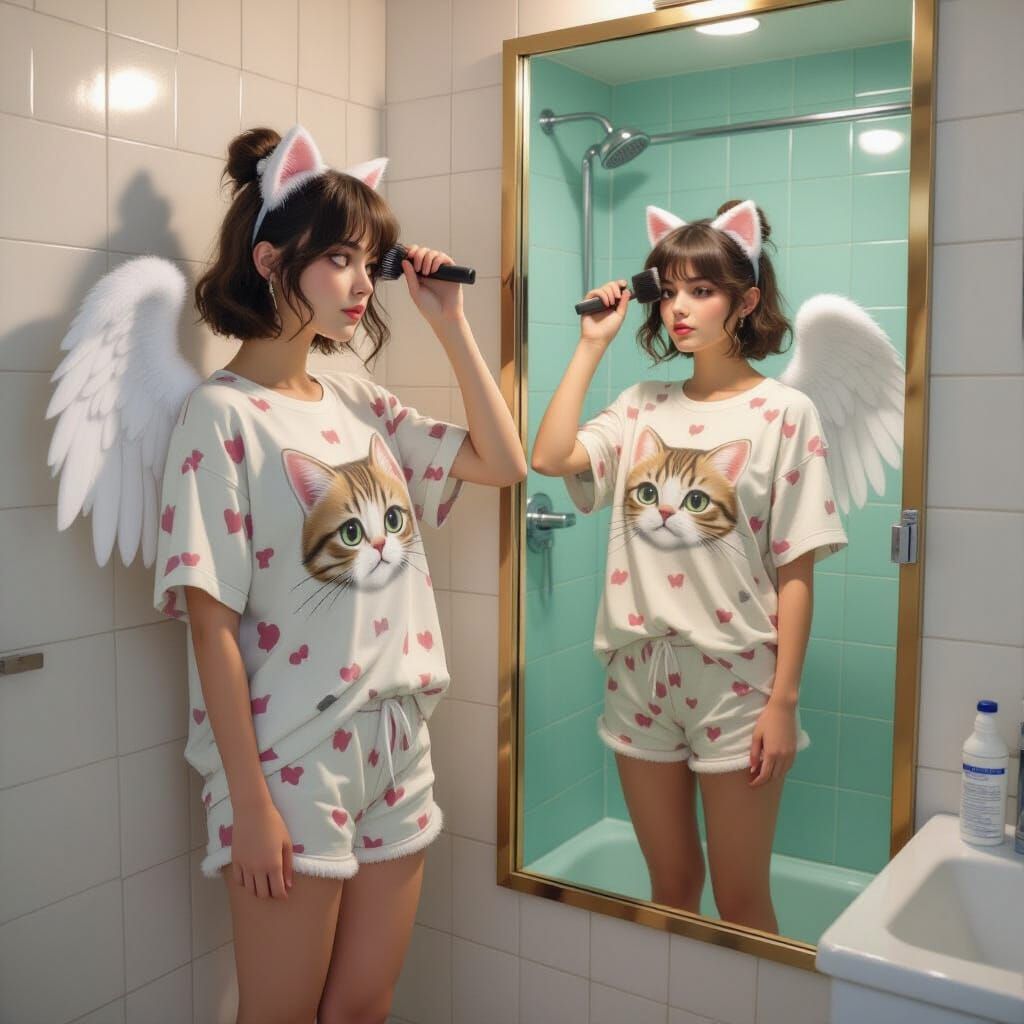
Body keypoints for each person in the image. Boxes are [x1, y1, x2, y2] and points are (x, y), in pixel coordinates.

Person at [153, 124, 526, 1024]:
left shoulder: (358, 400)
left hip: (396, 739)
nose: (366, 282)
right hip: (291, 757)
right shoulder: (221, 418)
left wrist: (450, 321)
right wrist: (250, 803)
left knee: (364, 1005)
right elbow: (210, 625)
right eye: (344, 260)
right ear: (273, 260)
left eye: (373, 261)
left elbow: (504, 461)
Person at [530, 199, 847, 933]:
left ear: (746, 301)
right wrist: (591, 344)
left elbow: (796, 567)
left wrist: (784, 701)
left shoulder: (783, 413)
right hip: (638, 673)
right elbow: (549, 458)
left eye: (700, 290)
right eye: (667, 289)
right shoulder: (642, 404)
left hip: (738, 681)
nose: (679, 307)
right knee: (670, 887)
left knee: (739, 903)